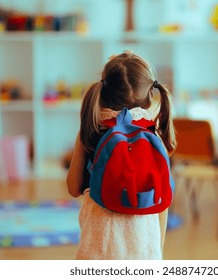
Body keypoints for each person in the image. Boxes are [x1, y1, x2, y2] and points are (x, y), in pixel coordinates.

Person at [66, 51, 176, 260]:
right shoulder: (153, 135)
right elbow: (163, 203)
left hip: (101, 245)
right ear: (150, 94)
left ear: (104, 91)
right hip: (144, 247)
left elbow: (73, 188)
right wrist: (157, 251)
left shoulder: (92, 130)